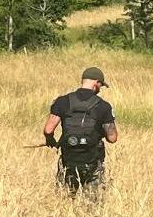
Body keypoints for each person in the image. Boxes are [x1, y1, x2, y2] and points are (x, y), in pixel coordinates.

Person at [44, 66, 118, 194]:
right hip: (93, 163)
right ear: (96, 83)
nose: (99, 89)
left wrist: (50, 140)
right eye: (100, 86)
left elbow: (48, 129)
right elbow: (112, 138)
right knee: (92, 207)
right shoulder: (103, 106)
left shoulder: (62, 101)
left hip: (69, 161)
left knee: (64, 202)